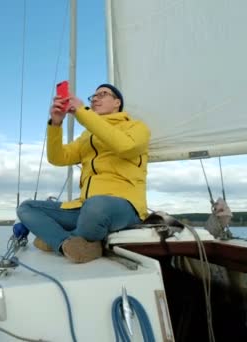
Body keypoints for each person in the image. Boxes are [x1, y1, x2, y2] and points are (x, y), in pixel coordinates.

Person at [17, 84, 150, 263]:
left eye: (102, 94)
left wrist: (81, 111)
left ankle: (55, 238)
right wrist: (56, 123)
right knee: (26, 208)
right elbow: (58, 158)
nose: (95, 99)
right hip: (84, 207)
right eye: (93, 97)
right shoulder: (87, 137)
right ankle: (67, 244)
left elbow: (125, 146)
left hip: (123, 206)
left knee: (96, 206)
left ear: (117, 102)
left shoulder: (137, 128)